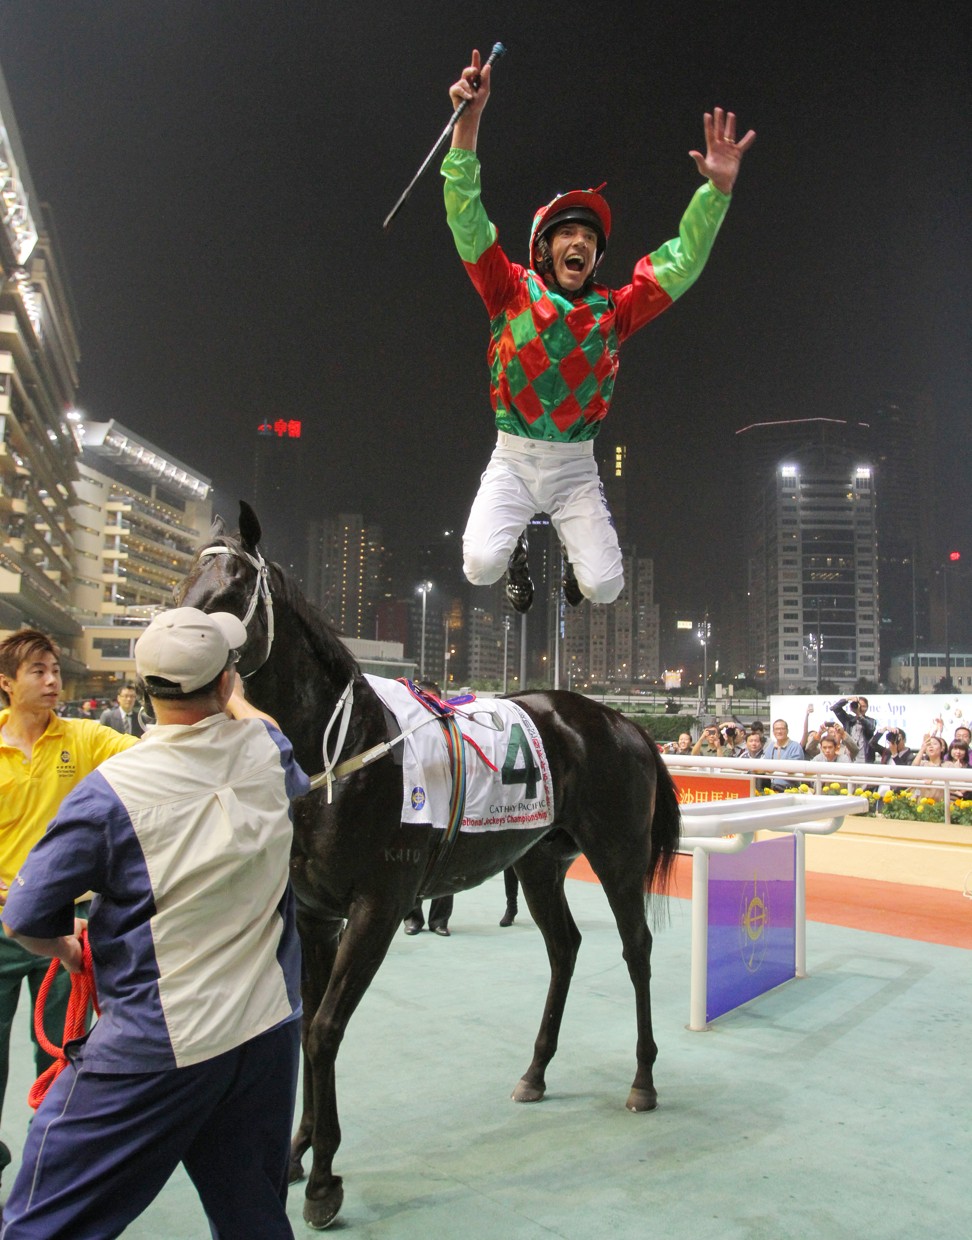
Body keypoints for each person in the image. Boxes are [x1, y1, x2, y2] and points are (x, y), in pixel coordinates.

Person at [0, 608, 308, 1238]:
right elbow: (263, 727)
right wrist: (234, 692)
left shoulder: (109, 791)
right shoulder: (268, 751)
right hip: (266, 1029)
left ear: (141, 689)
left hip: (156, 1044)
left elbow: (25, 916)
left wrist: (69, 950)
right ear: (226, 684)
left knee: (41, 1222)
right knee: (253, 1215)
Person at [443, 49, 754, 613]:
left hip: (575, 467)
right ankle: (513, 546)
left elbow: (681, 263)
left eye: (590, 238)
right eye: (568, 234)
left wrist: (716, 192)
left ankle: (569, 546)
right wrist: (469, 118)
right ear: (543, 248)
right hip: (512, 459)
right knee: (479, 566)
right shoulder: (507, 288)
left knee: (605, 588)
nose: (581, 243)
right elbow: (465, 212)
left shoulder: (615, 311)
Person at [0, 628, 139, 1190]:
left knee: (61, 1053)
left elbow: (160, 757)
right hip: (3, 921)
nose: (52, 680)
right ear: (6, 684)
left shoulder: (83, 737)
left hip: (69, 926)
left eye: (54, 669)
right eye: (37, 671)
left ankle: (50, 1162)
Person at [832, 697, 877, 764]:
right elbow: (835, 708)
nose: (860, 708)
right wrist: (848, 699)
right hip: (848, 757)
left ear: (867, 708)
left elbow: (871, 728)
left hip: (864, 758)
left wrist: (859, 714)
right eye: (859, 705)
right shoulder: (848, 720)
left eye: (863, 706)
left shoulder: (871, 721)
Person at [765, 718, 805, 791]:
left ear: (787, 731)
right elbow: (765, 766)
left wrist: (773, 768)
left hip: (791, 788)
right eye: (777, 729)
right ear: (773, 732)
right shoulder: (770, 747)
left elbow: (792, 768)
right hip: (772, 787)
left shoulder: (795, 746)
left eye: (782, 729)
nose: (779, 731)